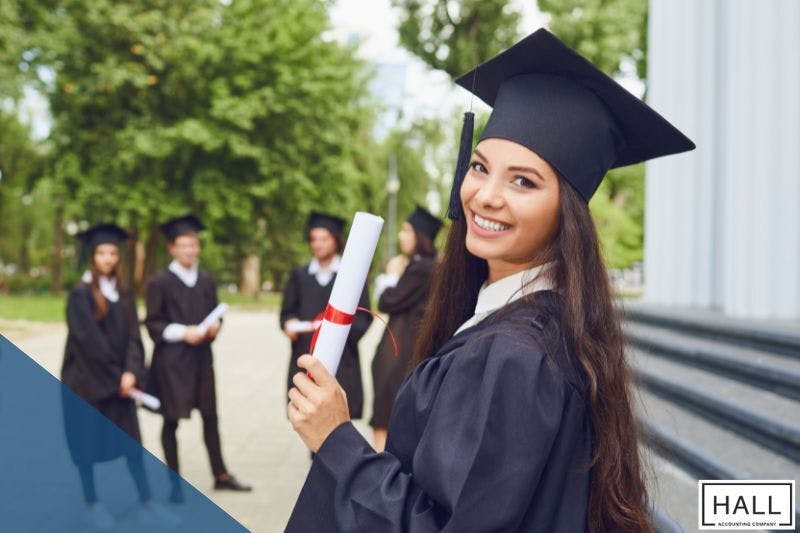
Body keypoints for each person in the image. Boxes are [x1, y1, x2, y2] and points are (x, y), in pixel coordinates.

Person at [285, 28, 695, 532]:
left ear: (566, 212)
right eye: (479, 167)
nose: (485, 196)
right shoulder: (543, 327)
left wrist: (336, 440)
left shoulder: (514, 359)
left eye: (523, 181)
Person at [61, 223, 178, 529]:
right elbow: (88, 344)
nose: (108, 258)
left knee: (131, 446)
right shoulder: (80, 295)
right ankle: (92, 504)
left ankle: (147, 503)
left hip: (120, 385)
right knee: (85, 449)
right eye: (102, 253)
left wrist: (132, 372)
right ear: (92, 256)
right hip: (86, 385)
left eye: (113, 252)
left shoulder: (124, 294)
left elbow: (133, 340)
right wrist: (118, 377)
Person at [145, 214, 250, 503]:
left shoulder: (206, 281)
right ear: (172, 248)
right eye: (184, 245)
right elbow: (153, 323)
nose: (190, 250)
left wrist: (214, 329)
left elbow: (215, 314)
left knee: (210, 416)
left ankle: (221, 475)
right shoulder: (160, 282)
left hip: (202, 359)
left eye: (194, 245)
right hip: (172, 361)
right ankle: (174, 480)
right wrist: (183, 332)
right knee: (171, 420)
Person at [280, 212, 373, 422]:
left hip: (342, 359)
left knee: (337, 418)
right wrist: (288, 325)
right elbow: (287, 312)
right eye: (314, 239)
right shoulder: (299, 275)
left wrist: (337, 334)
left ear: (336, 241)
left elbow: (364, 316)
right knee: (308, 413)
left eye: (324, 239)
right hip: (306, 354)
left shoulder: (351, 275)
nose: (317, 244)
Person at [370, 206, 441, 451]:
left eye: (407, 230)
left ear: (420, 236)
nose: (402, 236)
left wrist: (391, 275)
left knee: (384, 412)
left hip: (400, 350)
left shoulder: (422, 267)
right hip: (405, 347)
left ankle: (378, 472)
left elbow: (387, 301)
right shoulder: (428, 265)